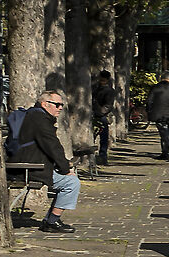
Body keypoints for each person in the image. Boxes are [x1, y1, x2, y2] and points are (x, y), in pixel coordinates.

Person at [10, 88, 81, 232]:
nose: (60, 108)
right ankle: (52, 222)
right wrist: (66, 169)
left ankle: (50, 220)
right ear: (44, 104)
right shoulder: (40, 120)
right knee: (71, 183)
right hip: (28, 168)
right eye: (57, 105)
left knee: (68, 181)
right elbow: (52, 146)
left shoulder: (34, 115)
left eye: (62, 105)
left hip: (25, 164)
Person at [145, 72, 169, 158]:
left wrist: (149, 111)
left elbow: (149, 101)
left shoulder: (155, 88)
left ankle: (165, 152)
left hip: (159, 115)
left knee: (164, 135)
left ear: (160, 78)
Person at [91, 69, 118, 170]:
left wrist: (100, 112)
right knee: (98, 136)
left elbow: (108, 105)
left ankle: (103, 156)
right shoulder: (96, 88)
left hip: (101, 115)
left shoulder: (109, 91)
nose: (101, 81)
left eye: (103, 80)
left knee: (103, 136)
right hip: (96, 113)